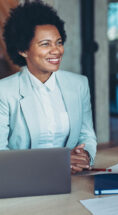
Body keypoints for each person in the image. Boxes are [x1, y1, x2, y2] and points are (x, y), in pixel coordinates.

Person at [0, 2, 97, 174]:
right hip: (21, 178)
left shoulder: (79, 85)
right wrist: (56, 163)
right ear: (23, 50)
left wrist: (85, 156)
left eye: (58, 42)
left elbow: (86, 134)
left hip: (71, 177)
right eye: (45, 44)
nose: (57, 50)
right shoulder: (5, 91)